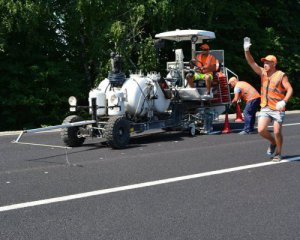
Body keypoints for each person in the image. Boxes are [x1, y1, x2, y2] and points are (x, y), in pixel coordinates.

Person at [243, 37, 293, 162]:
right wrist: (246, 50)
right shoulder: (262, 73)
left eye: (268, 62)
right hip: (265, 106)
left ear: (274, 64)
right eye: (264, 62)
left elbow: (290, 89)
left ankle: (278, 153)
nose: (265, 64)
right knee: (260, 130)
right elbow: (251, 62)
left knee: (276, 132)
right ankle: (273, 142)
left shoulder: (281, 75)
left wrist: (284, 101)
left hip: (277, 108)